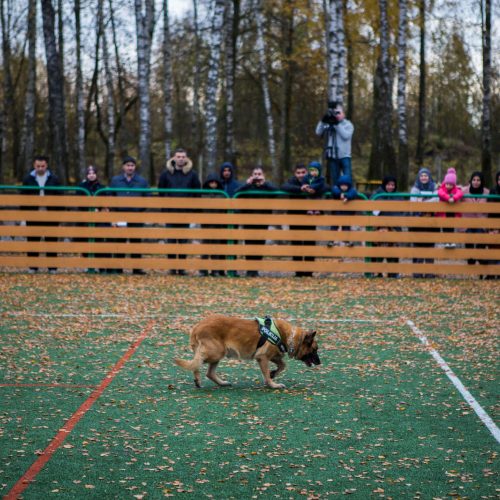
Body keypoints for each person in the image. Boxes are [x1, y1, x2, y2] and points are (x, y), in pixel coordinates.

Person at [158, 148, 201, 274]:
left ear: (186, 158)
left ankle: (181, 268)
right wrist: (165, 208)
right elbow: (161, 191)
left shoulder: (192, 174)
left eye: (183, 156)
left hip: (185, 213)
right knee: (171, 240)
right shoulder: (166, 174)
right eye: (178, 156)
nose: (181, 159)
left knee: (183, 240)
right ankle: (172, 267)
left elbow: (197, 192)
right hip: (170, 212)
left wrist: (192, 209)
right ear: (174, 158)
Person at [109, 156, 150, 274]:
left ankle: (136, 268)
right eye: (128, 165)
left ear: (135, 167)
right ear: (123, 167)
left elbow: (147, 198)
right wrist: (115, 210)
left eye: (132, 165)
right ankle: (118, 268)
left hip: (136, 216)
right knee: (119, 242)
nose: (130, 168)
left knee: (136, 242)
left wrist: (139, 209)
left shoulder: (142, 181)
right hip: (120, 215)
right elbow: (110, 195)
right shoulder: (116, 180)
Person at [235, 166, 278, 277]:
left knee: (260, 244)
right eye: (255, 174)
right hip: (248, 220)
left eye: (259, 174)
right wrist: (247, 184)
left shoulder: (267, 187)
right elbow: (236, 194)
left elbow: (277, 193)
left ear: (263, 175)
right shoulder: (247, 187)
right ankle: (250, 270)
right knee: (249, 244)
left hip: (263, 220)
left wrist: (265, 183)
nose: (257, 176)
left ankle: (256, 270)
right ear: (252, 175)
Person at [21, 155, 61, 273]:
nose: (40, 168)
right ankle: (33, 267)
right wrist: (25, 216)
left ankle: (52, 267)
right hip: (33, 214)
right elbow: (23, 197)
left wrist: (58, 214)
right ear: (34, 166)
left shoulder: (54, 179)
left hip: (51, 214)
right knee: (33, 240)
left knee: (52, 240)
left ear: (46, 166)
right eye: (38, 166)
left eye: (42, 166)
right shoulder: (28, 179)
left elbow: (60, 196)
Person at [281, 163, 317, 277]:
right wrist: (300, 188)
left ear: (306, 172)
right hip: (295, 216)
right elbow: (284, 187)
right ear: (295, 174)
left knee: (309, 243)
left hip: (310, 217)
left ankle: (309, 271)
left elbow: (325, 187)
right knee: (296, 243)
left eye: (303, 172)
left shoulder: (313, 180)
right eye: (298, 173)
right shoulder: (292, 181)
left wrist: (312, 188)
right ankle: (298, 271)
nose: (301, 175)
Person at [77, 165, 111, 273]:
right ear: (86, 175)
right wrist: (88, 209)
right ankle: (88, 266)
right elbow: (79, 201)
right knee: (85, 241)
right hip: (84, 218)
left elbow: (104, 200)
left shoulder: (101, 187)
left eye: (93, 173)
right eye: (89, 173)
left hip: (98, 218)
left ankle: (101, 266)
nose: (91, 175)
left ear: (96, 174)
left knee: (99, 241)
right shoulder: (82, 187)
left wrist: (98, 208)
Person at [370, 175, 403, 278]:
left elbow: (401, 211)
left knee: (393, 249)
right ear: (384, 185)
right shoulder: (377, 194)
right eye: (388, 184)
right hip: (379, 226)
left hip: (394, 226)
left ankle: (393, 272)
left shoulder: (398, 196)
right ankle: (376, 272)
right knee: (376, 249)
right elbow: (371, 208)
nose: (390, 187)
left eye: (393, 185)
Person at [315, 102, 354, 187]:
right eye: (334, 113)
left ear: (344, 114)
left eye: (338, 113)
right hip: (332, 156)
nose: (336, 115)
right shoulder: (329, 124)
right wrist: (322, 121)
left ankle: (348, 195)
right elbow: (318, 132)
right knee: (334, 179)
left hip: (345, 156)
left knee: (347, 178)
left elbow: (345, 136)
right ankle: (336, 195)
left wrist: (336, 125)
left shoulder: (348, 124)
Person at [409, 168, 438, 278]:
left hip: (431, 221)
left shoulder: (434, 187)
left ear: (429, 177)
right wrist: (426, 203)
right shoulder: (415, 188)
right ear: (419, 177)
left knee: (430, 245)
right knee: (418, 246)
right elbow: (413, 201)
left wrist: (423, 202)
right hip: (418, 221)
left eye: (426, 175)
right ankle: (417, 272)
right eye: (422, 176)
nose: (424, 178)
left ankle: (429, 272)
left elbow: (436, 200)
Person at [200, 172, 225, 277]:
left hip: (217, 225)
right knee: (205, 248)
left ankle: (215, 270)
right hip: (205, 225)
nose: (213, 184)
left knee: (216, 248)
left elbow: (224, 210)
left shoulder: (222, 195)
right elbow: (199, 209)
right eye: (211, 182)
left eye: (215, 182)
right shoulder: (203, 195)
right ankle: (203, 270)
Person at [462, 171, 489, 268]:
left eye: (478, 180)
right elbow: (454, 193)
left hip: (481, 223)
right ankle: (471, 258)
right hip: (467, 223)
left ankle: (480, 257)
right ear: (471, 181)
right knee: (469, 234)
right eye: (474, 180)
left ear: (481, 181)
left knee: (480, 235)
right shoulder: (464, 191)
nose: (476, 182)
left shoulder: (487, 192)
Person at [437, 168, 463, 249]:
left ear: (453, 185)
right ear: (445, 182)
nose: (448, 186)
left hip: (452, 212)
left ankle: (451, 241)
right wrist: (448, 197)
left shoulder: (456, 189)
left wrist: (454, 198)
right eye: (447, 184)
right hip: (444, 212)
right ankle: (446, 242)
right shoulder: (442, 188)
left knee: (451, 226)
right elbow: (440, 193)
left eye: (451, 185)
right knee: (445, 227)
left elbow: (460, 193)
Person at [330, 175, 359, 247]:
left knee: (346, 227)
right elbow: (334, 189)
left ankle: (346, 240)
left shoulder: (351, 190)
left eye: (345, 185)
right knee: (334, 227)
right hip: (336, 213)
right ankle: (331, 240)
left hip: (347, 213)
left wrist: (348, 197)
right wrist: (340, 194)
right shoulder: (336, 188)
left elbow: (354, 192)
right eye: (342, 185)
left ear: (348, 185)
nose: (343, 187)